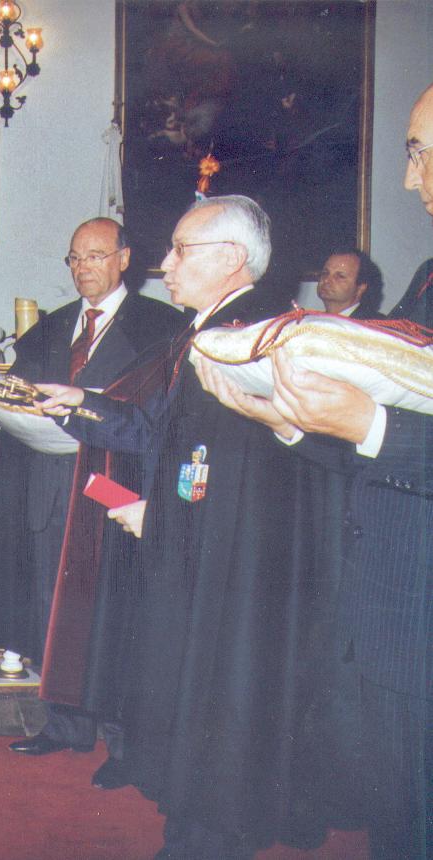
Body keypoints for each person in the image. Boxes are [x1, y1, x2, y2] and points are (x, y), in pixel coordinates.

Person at [38, 196, 335, 857]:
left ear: (230, 259)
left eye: (180, 250)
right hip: (207, 552)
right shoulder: (214, 329)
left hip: (226, 569)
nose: (164, 264)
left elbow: (239, 471)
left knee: (216, 710)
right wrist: (80, 403)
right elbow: (162, 432)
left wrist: (160, 516)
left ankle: (202, 840)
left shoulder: (246, 338)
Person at [195, 84, 433, 860]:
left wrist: (367, 423)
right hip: (392, 606)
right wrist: (287, 421)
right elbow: (392, 429)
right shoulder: (430, 273)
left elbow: (385, 427)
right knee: (396, 826)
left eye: (419, 152)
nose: (407, 177)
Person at [0, 218, 183, 786]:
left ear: (124, 258)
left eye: (96, 256)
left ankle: (124, 745)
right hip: (50, 490)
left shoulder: (161, 328)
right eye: (75, 258)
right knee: (53, 609)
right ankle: (65, 724)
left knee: (114, 615)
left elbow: (162, 417)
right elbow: (15, 395)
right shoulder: (50, 329)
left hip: (114, 491)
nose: (84, 268)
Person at [315, 247, 383, 317]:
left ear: (360, 288)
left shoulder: (374, 322)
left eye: (340, 276)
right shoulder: (311, 320)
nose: (326, 280)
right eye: (325, 273)